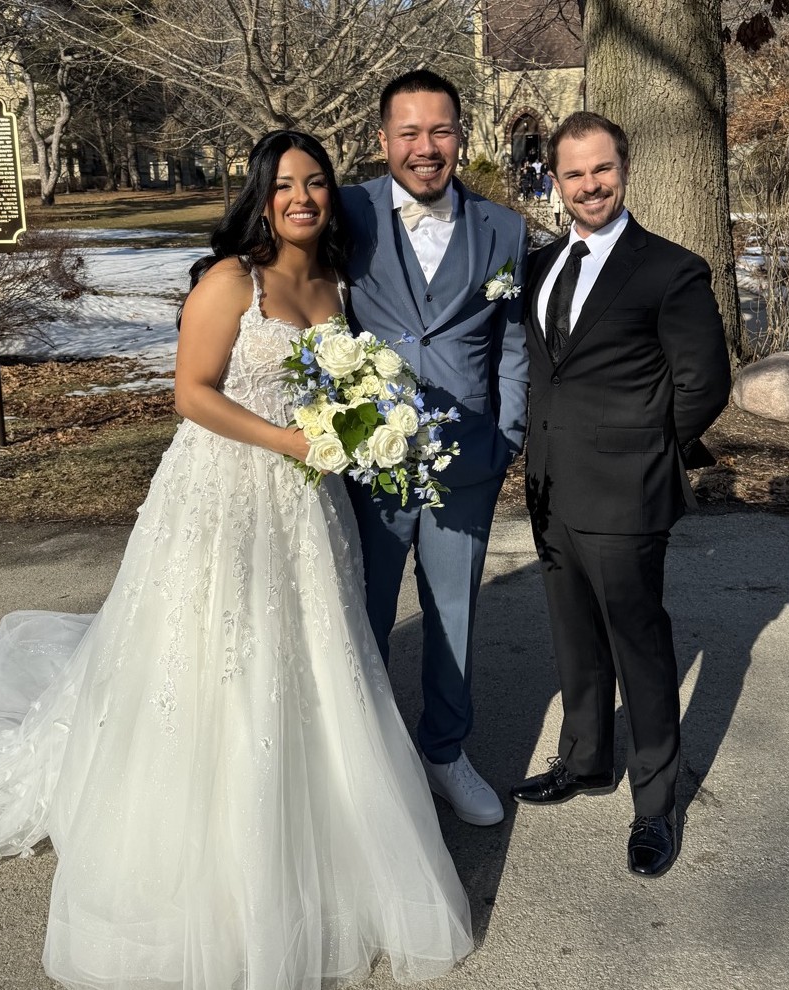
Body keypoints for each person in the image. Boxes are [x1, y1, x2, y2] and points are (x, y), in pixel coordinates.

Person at [0, 130, 473, 989]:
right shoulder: (230, 280)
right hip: (221, 496)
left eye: (315, 183)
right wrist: (287, 439)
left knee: (311, 660)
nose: (302, 198)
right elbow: (191, 395)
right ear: (260, 196)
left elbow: (343, 389)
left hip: (306, 510)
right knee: (212, 659)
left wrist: (360, 431)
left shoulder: (334, 284)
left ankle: (316, 835)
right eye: (285, 185)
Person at [510, 111, 731, 877]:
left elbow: (704, 385)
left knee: (640, 648)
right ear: (557, 181)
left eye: (601, 169)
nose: (589, 184)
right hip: (550, 488)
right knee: (573, 634)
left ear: (624, 168)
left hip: (626, 491)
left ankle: (655, 803)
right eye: (574, 174)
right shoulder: (540, 265)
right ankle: (587, 759)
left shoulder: (670, 269)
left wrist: (639, 450)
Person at [340, 71, 529, 829]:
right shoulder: (344, 211)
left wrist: (506, 436)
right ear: (383, 138)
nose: (426, 148)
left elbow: (512, 342)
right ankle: (371, 762)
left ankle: (446, 752)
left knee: (454, 612)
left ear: (462, 135)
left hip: (468, 457)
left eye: (441, 130)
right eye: (409, 133)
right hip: (368, 458)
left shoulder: (504, 229)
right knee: (366, 613)